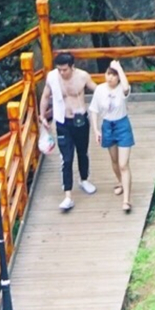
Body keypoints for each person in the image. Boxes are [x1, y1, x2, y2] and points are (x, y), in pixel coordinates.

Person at [38, 51, 95, 211]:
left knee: (82, 152)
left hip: (80, 118)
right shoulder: (52, 77)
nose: (62, 73)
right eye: (60, 69)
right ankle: (68, 195)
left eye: (65, 69)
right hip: (62, 121)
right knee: (67, 157)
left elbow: (97, 90)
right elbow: (45, 96)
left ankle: (84, 179)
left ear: (72, 67)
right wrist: (42, 116)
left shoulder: (82, 76)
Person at [92, 58, 135, 212]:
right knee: (114, 161)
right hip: (107, 126)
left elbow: (125, 87)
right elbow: (94, 110)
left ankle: (126, 200)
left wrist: (119, 67)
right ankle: (121, 182)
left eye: (113, 75)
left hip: (122, 125)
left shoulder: (121, 89)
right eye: (108, 74)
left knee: (124, 164)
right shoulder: (100, 89)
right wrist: (96, 129)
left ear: (118, 77)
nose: (110, 77)